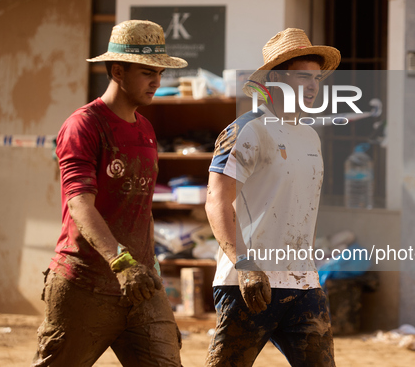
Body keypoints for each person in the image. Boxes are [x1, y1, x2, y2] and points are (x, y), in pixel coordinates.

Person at [32, 20, 188, 367]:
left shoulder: (146, 129)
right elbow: (79, 203)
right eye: (148, 72)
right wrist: (121, 261)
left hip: (141, 285)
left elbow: (141, 208)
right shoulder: (84, 125)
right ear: (118, 71)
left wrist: (151, 270)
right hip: (84, 285)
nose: (157, 82)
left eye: (160, 73)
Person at [204, 28, 341, 367]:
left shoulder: (311, 137)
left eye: (317, 79)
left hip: (304, 284)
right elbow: (216, 200)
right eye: (302, 77)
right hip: (248, 285)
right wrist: (245, 264)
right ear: (276, 78)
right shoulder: (248, 129)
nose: (313, 86)